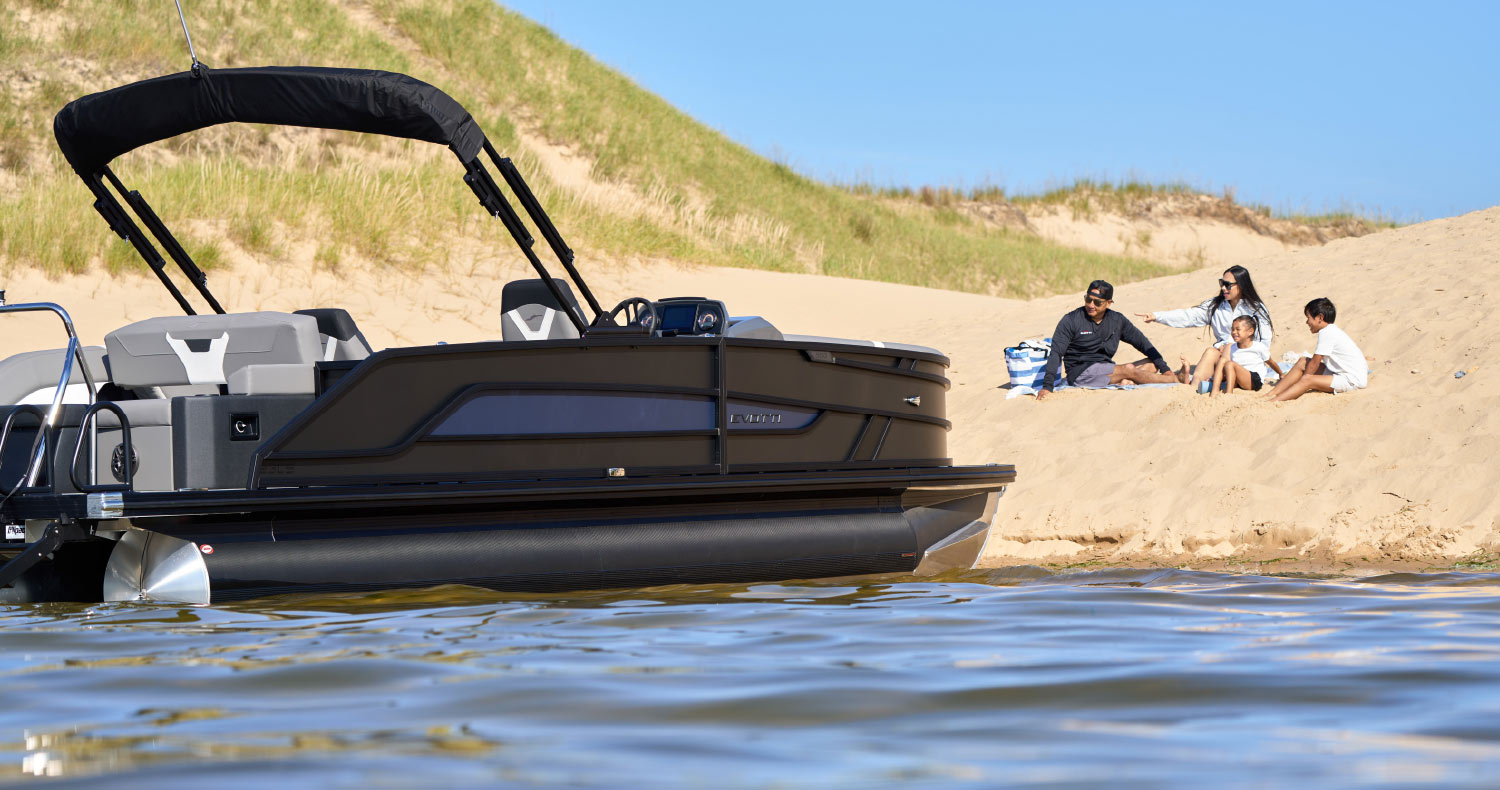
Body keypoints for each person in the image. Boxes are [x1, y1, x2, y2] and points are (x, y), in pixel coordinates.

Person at [1035, 280, 1178, 401]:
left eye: (1097, 302)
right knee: (1129, 368)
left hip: (1106, 368)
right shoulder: (1070, 320)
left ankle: (1126, 381)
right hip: (1080, 373)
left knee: (1152, 364)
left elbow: (1142, 343)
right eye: (1088, 299)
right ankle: (1176, 380)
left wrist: (1165, 369)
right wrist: (1047, 387)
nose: (1091, 305)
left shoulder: (1117, 320)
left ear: (1108, 303)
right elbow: (1056, 353)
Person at [1135, 265, 1273, 387]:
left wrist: (1234, 347)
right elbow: (1188, 316)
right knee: (1210, 352)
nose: (1223, 288)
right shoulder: (1215, 306)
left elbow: (1264, 342)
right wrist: (1156, 316)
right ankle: (1193, 387)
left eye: (1227, 284)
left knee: (1224, 351)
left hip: (1247, 361)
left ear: (1241, 285)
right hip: (1220, 358)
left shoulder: (1256, 309)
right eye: (1221, 283)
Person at [1265, 297, 1366, 401]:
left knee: (1307, 379)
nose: (1307, 322)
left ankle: (1273, 401)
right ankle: (1271, 394)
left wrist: (1302, 381)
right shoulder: (1330, 330)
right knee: (1302, 362)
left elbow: (1314, 364)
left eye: (1308, 318)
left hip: (1352, 380)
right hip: (1342, 374)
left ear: (1320, 318)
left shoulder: (1327, 332)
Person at [1205, 315, 1281, 396]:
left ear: (1250, 332)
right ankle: (1215, 389)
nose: (1234, 332)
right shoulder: (1233, 348)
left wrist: (1281, 374)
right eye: (1232, 329)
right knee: (1223, 361)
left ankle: (1228, 393)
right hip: (1239, 380)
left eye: (1238, 329)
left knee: (1229, 364)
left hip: (1254, 380)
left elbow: (1270, 362)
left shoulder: (1258, 347)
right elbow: (1231, 370)